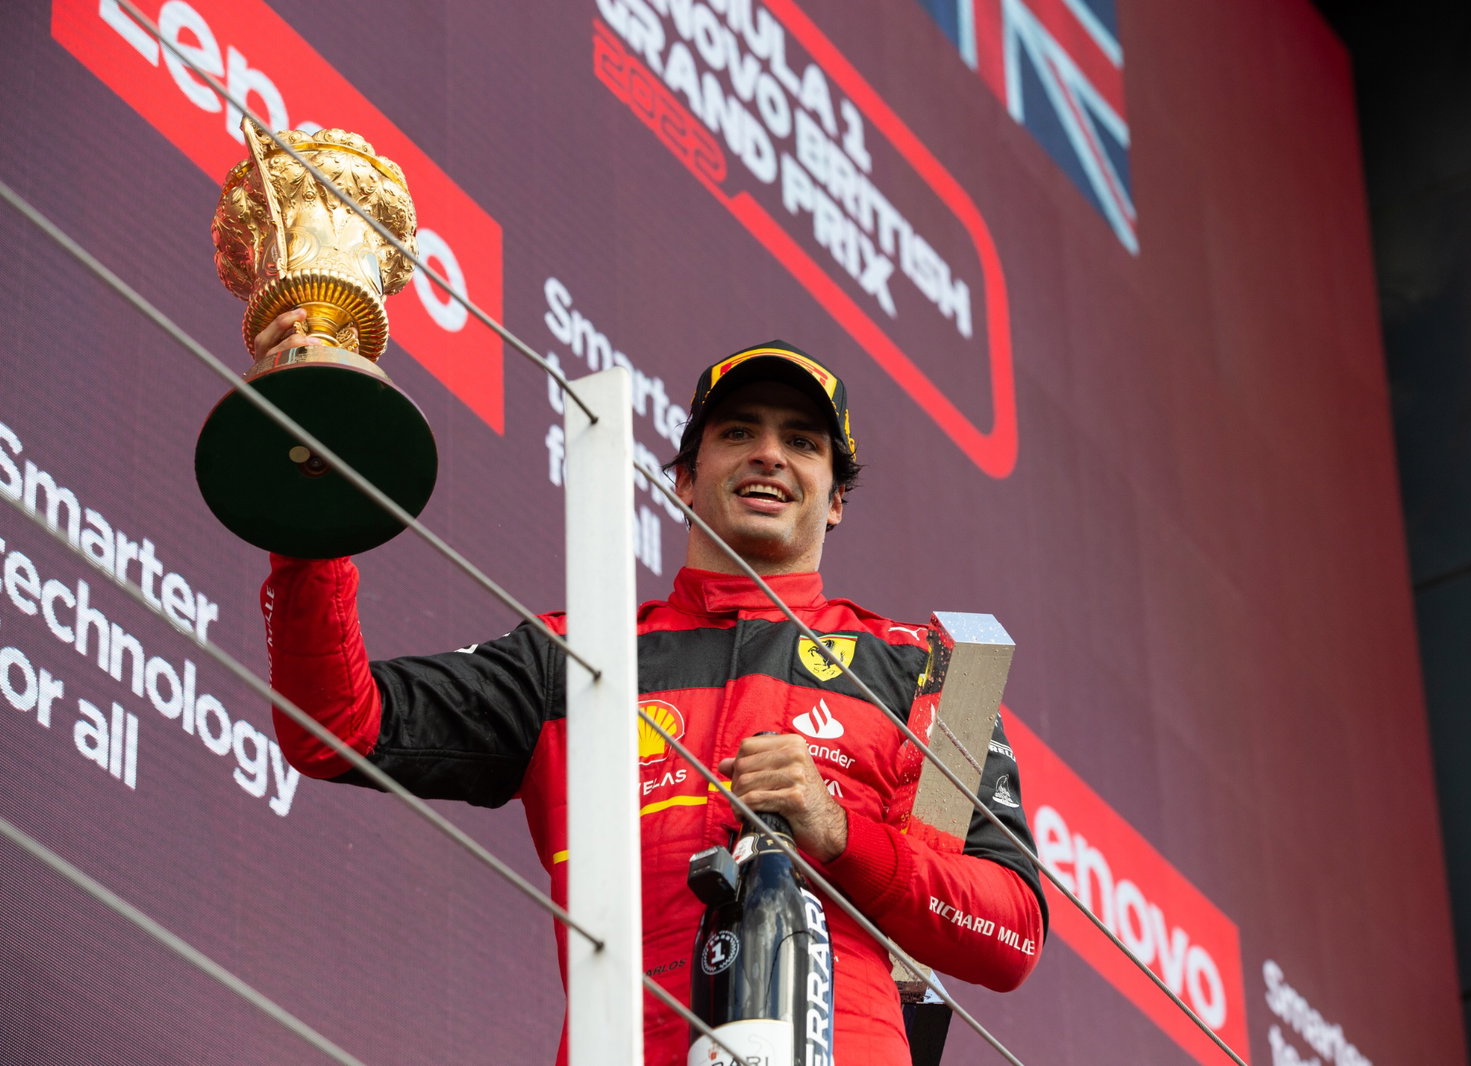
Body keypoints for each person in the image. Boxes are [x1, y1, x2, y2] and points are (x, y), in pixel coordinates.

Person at [254, 314, 1046, 1066]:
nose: (768, 454)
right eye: (737, 433)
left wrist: (837, 832)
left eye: (800, 441)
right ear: (682, 482)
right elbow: (332, 725)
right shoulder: (579, 654)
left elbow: (1009, 934)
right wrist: (307, 511)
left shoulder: (917, 670)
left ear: (836, 499)